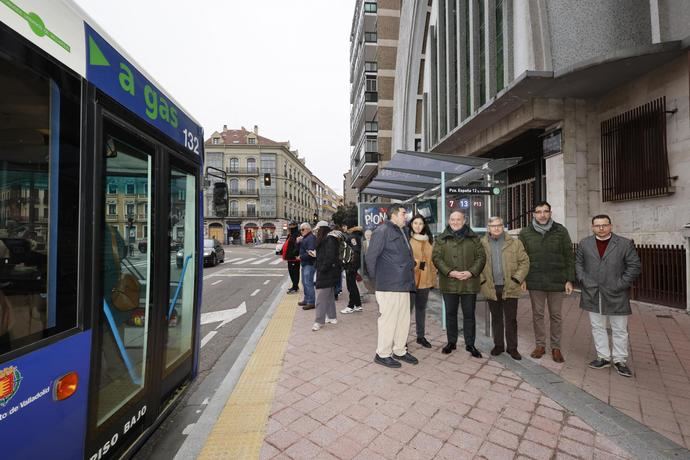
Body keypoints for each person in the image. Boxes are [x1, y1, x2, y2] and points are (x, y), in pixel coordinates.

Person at [576, 215, 641, 377]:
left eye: (604, 225)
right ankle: (603, 357)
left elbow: (634, 266)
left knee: (619, 328)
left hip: (616, 293)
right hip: (593, 292)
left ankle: (620, 360)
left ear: (611, 226)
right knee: (598, 327)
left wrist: (620, 285)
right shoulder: (585, 244)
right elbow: (578, 264)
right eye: (597, 226)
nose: (601, 228)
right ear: (592, 227)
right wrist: (584, 280)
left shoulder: (624, 243)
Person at [519, 201, 575, 363]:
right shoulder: (526, 233)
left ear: (550, 213)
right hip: (535, 280)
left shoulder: (560, 231)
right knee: (538, 314)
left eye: (545, 211)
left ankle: (556, 348)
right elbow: (522, 258)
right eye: (539, 212)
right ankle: (540, 345)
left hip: (557, 281)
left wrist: (569, 279)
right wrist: (522, 278)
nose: (542, 215)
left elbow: (569, 256)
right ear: (534, 214)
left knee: (556, 315)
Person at [365, 204, 418, 368]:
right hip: (388, 285)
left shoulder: (401, 231)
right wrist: (376, 282)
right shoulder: (382, 231)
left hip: (403, 283)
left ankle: (399, 350)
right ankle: (382, 353)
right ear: (393, 215)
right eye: (403, 214)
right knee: (388, 320)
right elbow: (371, 258)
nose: (406, 217)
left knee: (403, 319)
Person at [432, 210, 486, 358]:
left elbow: (481, 257)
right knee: (450, 314)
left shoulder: (474, 238)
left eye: (458, 219)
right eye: (452, 219)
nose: (455, 222)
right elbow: (436, 258)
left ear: (464, 221)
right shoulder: (441, 239)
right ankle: (451, 342)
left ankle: (470, 344)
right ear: (449, 221)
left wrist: (471, 272)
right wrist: (450, 272)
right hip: (449, 282)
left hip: (469, 282)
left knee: (469, 315)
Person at [480, 216, 530, 360]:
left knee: (511, 319)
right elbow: (476, 265)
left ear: (503, 226)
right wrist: (482, 282)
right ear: (488, 228)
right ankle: (499, 345)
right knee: (496, 318)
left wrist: (517, 279)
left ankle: (512, 348)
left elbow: (525, 262)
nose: (496, 228)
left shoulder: (515, 243)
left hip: (510, 286)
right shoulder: (481, 244)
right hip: (491, 287)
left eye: (499, 225)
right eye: (493, 226)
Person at [408, 214, 437, 348]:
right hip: (410, 280)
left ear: (424, 225)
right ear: (411, 225)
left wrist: (432, 277)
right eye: (415, 223)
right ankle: (402, 339)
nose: (418, 226)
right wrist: (420, 265)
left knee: (421, 309)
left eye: (420, 223)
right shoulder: (407, 240)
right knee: (407, 311)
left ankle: (421, 336)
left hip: (425, 281)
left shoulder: (429, 240)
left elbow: (432, 262)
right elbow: (407, 261)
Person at [311, 221, 342, 331]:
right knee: (328, 296)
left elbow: (329, 257)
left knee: (320, 297)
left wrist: (322, 268)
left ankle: (319, 321)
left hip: (326, 272)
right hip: (330, 271)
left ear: (321, 229)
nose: (316, 232)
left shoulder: (328, 239)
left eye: (317, 230)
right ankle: (332, 317)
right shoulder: (329, 238)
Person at [341, 224, 363, 314]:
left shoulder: (352, 237)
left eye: (345, 226)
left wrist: (351, 264)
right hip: (354, 264)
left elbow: (355, 250)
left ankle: (351, 306)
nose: (343, 228)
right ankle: (357, 305)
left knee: (351, 285)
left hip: (351, 264)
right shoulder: (357, 236)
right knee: (352, 284)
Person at [297, 223, 316, 310]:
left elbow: (311, 252)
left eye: (302, 229)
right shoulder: (306, 238)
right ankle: (306, 299)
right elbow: (301, 249)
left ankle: (311, 302)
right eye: (300, 230)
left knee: (308, 282)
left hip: (309, 263)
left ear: (308, 229)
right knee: (304, 282)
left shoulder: (311, 238)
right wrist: (298, 242)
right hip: (305, 263)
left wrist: (301, 257)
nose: (301, 231)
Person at [282, 221, 300, 294]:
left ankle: (295, 287)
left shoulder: (296, 234)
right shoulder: (291, 235)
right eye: (289, 225)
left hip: (294, 258)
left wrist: (294, 254)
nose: (289, 227)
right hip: (290, 257)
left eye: (291, 225)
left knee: (294, 272)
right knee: (291, 272)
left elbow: (297, 245)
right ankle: (295, 286)